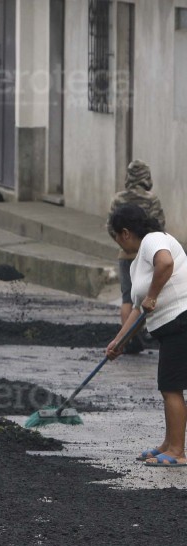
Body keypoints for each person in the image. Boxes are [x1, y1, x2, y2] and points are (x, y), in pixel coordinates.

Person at [106, 204, 187, 467]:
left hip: (181, 320)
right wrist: (119, 342)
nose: (118, 242)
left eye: (116, 236)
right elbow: (138, 310)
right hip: (170, 328)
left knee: (171, 387)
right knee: (168, 386)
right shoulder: (136, 265)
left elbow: (166, 263)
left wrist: (152, 295)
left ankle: (177, 451)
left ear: (125, 233)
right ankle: (168, 443)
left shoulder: (155, 239)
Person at [107, 159, 165, 354]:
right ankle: (149, 330)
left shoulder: (118, 199)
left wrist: (124, 245)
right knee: (148, 296)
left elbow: (111, 227)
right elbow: (159, 224)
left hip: (125, 255)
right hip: (148, 256)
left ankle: (128, 339)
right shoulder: (151, 199)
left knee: (127, 298)